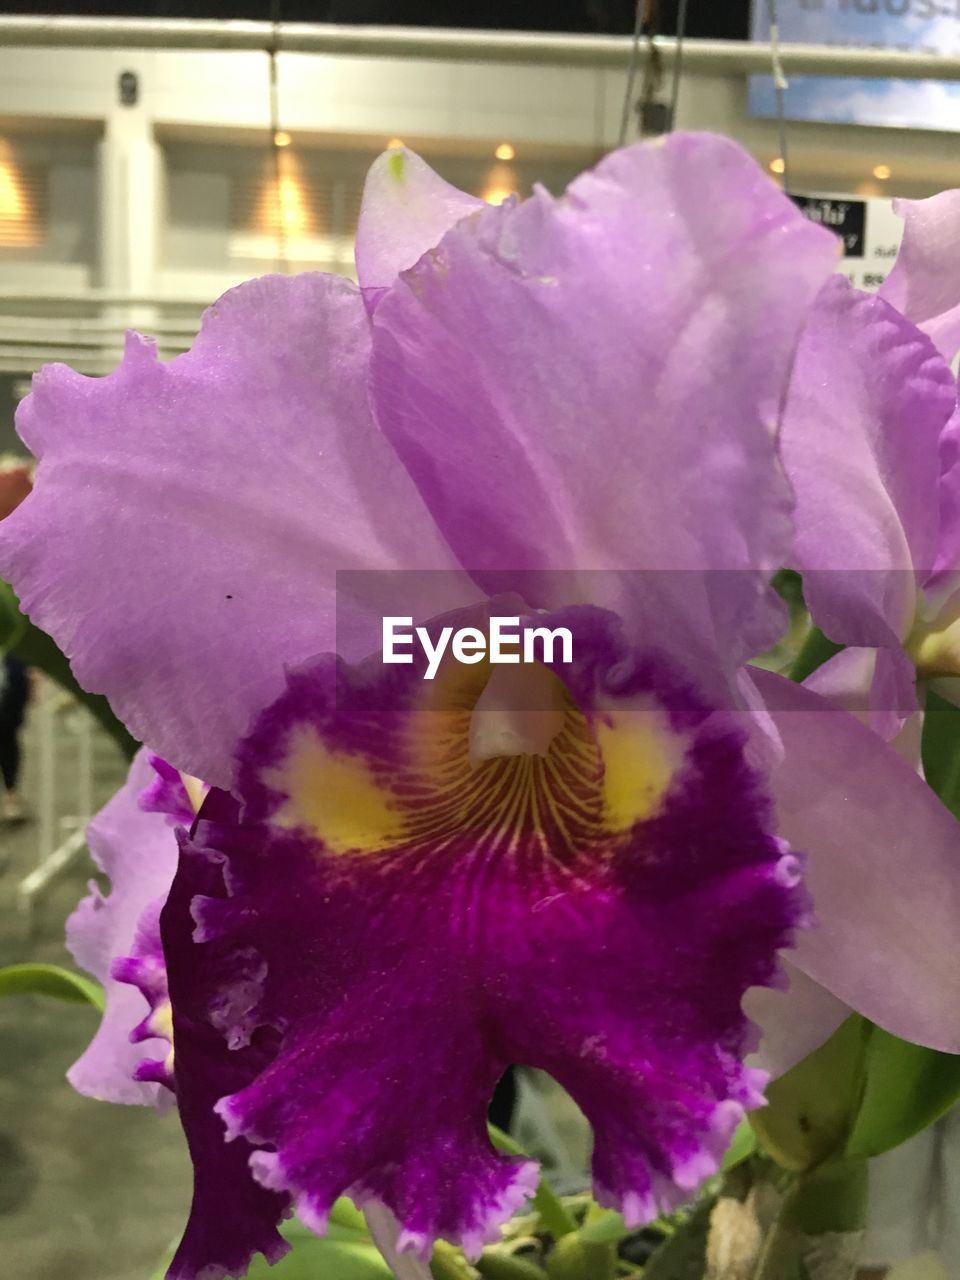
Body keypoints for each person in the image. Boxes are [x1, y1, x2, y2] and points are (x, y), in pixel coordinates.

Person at [0, 653, 30, 821]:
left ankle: (11, 795)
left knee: (9, 752)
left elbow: (21, 684)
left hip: (8, 716)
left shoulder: (14, 659)